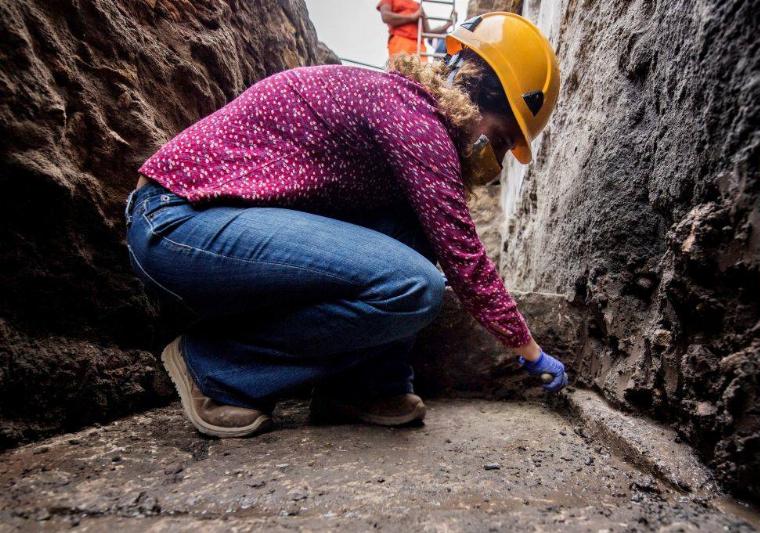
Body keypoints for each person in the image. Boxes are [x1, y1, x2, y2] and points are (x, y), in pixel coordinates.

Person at [125, 12, 566, 438]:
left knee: (414, 229)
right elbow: (463, 257)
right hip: (177, 221)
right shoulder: (416, 120)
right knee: (416, 285)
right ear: (477, 93)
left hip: (206, 225)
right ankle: (216, 368)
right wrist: (529, 350)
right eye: (501, 139)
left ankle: (359, 387)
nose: (496, 158)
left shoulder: (409, 113)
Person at [376, 0, 454, 60]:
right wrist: (412, 17)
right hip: (401, 41)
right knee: (402, 72)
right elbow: (386, 16)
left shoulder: (418, 6)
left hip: (419, 46)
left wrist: (448, 24)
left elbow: (428, 32)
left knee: (421, 74)